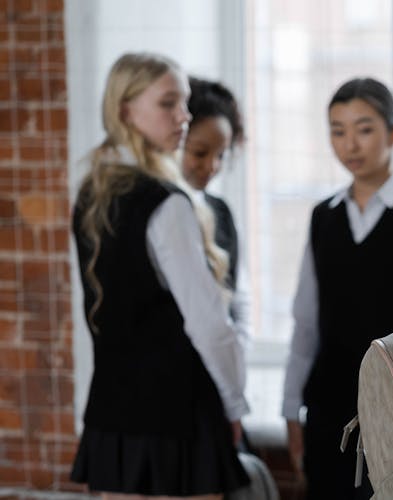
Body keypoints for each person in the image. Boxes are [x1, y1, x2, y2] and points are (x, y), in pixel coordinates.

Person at [70, 53, 250, 498]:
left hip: (113, 419)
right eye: (168, 103)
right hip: (179, 421)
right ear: (126, 109)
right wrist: (234, 405)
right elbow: (209, 324)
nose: (183, 117)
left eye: (185, 103)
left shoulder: (91, 193)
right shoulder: (166, 203)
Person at [281, 77, 393, 500]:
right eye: (337, 131)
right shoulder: (323, 217)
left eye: (364, 128)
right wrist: (290, 410)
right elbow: (306, 323)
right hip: (328, 412)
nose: (350, 144)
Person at [181, 76, 251, 346]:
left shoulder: (221, 212)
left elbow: (240, 296)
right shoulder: (157, 211)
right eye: (199, 153)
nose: (211, 166)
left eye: (221, 155)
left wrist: (240, 346)